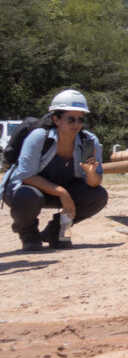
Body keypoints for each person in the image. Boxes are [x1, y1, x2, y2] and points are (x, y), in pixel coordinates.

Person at [2, 89, 107, 251]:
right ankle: (28, 233)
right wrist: (62, 193)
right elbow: (26, 175)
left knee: (98, 196)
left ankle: (55, 230)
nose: (76, 124)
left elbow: (93, 183)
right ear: (56, 119)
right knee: (27, 195)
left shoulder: (89, 141)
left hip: (58, 190)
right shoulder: (39, 136)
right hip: (27, 191)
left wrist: (92, 174)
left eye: (80, 119)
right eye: (70, 119)